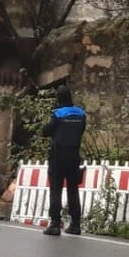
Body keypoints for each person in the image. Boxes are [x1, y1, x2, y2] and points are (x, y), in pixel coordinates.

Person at [40, 86, 87, 236]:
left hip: (58, 156)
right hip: (74, 157)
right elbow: (80, 131)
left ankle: (55, 224)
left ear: (59, 99)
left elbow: (45, 131)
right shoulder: (81, 114)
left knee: (56, 189)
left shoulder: (58, 114)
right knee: (73, 190)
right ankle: (75, 224)